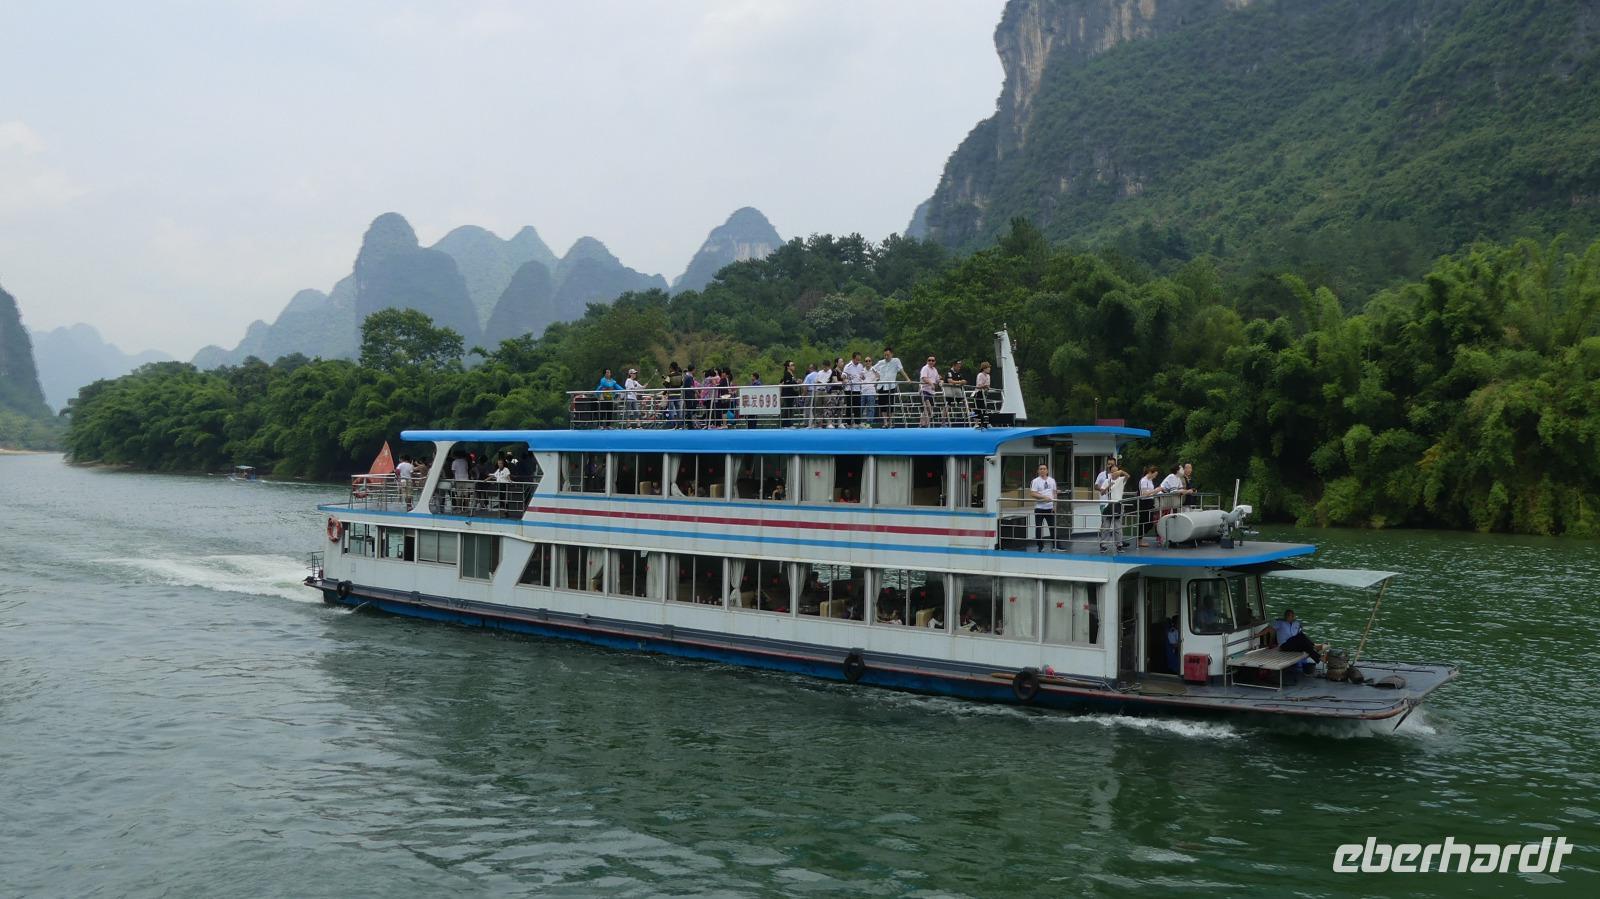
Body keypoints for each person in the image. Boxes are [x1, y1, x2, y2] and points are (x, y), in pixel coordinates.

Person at [873, 346, 908, 426]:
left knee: (891, 404)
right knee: (882, 404)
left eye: (888, 355)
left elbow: (901, 370)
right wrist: (877, 375)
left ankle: (891, 422)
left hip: (891, 386)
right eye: (885, 355)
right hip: (881, 385)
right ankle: (885, 422)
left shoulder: (896, 361)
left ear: (892, 354)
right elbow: (873, 368)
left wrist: (907, 379)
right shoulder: (881, 362)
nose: (886, 357)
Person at [1030, 462, 1058, 551]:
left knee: (1052, 527)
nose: (1042, 470)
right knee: (1039, 527)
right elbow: (1033, 493)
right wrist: (1044, 497)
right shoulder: (1035, 481)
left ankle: (1055, 545)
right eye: (1041, 469)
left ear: (1047, 470)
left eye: (1044, 469)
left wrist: (1055, 505)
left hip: (1050, 508)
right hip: (1039, 508)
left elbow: (1054, 493)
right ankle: (1040, 546)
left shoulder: (1052, 480)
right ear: (1038, 471)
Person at [1137, 464, 1160, 547]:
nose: (1155, 477)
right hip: (1144, 502)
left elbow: (1150, 492)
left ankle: (1140, 538)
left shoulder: (1150, 481)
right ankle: (1139, 540)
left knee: (1150, 522)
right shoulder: (1144, 480)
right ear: (1150, 472)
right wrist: (1155, 491)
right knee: (1143, 521)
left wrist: (1156, 491)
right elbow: (1144, 494)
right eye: (1154, 475)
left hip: (1150, 502)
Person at [843, 352, 868, 426]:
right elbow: (843, 375)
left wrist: (863, 376)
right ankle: (848, 423)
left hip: (857, 389)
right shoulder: (848, 366)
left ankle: (857, 423)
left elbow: (863, 375)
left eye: (859, 360)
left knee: (857, 406)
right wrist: (844, 379)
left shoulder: (860, 366)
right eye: (857, 359)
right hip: (849, 389)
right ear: (853, 358)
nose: (858, 361)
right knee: (849, 406)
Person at [918, 354, 942, 427]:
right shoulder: (925, 368)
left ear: (935, 362)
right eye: (929, 360)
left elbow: (937, 379)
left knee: (926, 408)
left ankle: (922, 424)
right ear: (927, 361)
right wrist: (931, 384)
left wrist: (941, 381)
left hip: (931, 391)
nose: (931, 362)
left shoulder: (935, 370)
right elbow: (924, 378)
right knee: (927, 403)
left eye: (932, 360)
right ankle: (931, 414)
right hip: (924, 389)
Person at [859, 357, 879, 427]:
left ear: (871, 362)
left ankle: (868, 423)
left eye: (869, 361)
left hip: (871, 391)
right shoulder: (862, 370)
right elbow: (859, 379)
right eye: (866, 361)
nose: (868, 362)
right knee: (860, 408)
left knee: (870, 408)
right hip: (863, 391)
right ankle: (858, 423)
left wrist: (875, 382)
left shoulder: (874, 369)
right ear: (864, 362)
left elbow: (878, 377)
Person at [972, 361, 993, 428]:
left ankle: (986, 423)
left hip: (984, 393)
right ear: (984, 369)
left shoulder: (988, 376)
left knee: (985, 408)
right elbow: (978, 385)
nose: (989, 369)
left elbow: (988, 385)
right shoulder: (980, 375)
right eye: (988, 367)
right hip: (979, 393)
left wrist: (987, 387)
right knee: (978, 408)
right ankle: (976, 423)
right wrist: (984, 386)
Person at [779, 360, 799, 427]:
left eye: (794, 365)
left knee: (790, 409)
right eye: (792, 365)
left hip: (791, 394)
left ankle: (788, 424)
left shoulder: (791, 374)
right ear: (788, 367)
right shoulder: (787, 374)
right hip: (787, 394)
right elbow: (787, 383)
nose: (793, 366)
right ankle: (785, 424)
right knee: (787, 409)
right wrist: (796, 382)